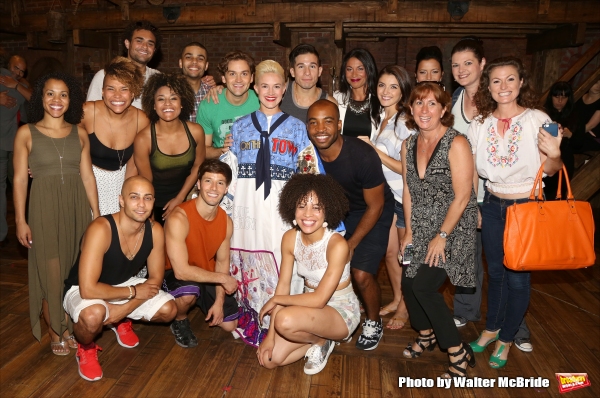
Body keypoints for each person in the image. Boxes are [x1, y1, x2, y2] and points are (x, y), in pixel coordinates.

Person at [467, 57, 562, 369]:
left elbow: (551, 169)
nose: (503, 86)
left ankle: (507, 338)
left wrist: (556, 153)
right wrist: (473, 205)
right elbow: (470, 170)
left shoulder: (538, 118)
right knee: (496, 274)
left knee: (518, 278)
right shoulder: (480, 123)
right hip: (492, 205)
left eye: (510, 79)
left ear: (521, 83)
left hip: (527, 208)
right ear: (488, 86)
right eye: (496, 81)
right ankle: (491, 328)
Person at [13, 72, 100, 355]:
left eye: (63, 94)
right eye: (50, 93)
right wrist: (20, 220)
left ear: (70, 99)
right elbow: (18, 179)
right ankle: (56, 329)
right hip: (44, 208)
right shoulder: (26, 132)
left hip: (76, 207)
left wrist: (97, 216)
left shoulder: (80, 132)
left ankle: (66, 320)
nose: (56, 100)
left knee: (72, 269)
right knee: (51, 269)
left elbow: (88, 177)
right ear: (40, 97)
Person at [229, 60, 311, 346]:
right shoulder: (239, 127)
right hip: (247, 204)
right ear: (255, 88)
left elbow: (306, 171)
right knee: (249, 254)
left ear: (285, 88)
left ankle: (284, 320)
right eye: (265, 86)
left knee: (282, 254)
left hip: (281, 204)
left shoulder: (298, 128)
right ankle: (253, 318)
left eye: (277, 86)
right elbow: (231, 172)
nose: (271, 91)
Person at [63, 176, 177, 381]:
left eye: (148, 198)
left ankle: (120, 320)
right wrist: (133, 293)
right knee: (92, 317)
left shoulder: (155, 230)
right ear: (121, 200)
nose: (141, 204)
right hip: (81, 287)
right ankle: (86, 347)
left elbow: (156, 279)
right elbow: (87, 289)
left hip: (123, 283)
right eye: (134, 197)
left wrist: (123, 309)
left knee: (169, 309)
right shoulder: (101, 229)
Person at [400, 82, 477, 378]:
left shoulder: (456, 143)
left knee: (424, 286)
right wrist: (408, 232)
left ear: (444, 109)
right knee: (408, 283)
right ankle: (426, 333)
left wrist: (441, 237)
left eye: (432, 104)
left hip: (453, 227)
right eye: (419, 103)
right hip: (420, 224)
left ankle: (457, 352)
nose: (425, 110)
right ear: (411, 109)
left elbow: (463, 196)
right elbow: (408, 190)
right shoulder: (409, 144)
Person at [307, 99, 394, 351]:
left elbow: (376, 206)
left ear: (340, 125)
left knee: (361, 273)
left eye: (328, 121)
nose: (320, 128)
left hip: (372, 210)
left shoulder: (361, 155)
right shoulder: (309, 155)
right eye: (313, 122)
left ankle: (373, 320)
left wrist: (351, 243)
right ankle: (333, 312)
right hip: (336, 212)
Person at [257, 173, 359, 375]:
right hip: (306, 308)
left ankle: (322, 339)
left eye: (316, 207)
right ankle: (320, 340)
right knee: (270, 360)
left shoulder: (337, 244)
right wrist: (269, 337)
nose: (308, 214)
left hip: (339, 310)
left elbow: (320, 299)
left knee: (284, 320)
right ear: (292, 209)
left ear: (326, 211)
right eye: (301, 206)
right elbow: (283, 285)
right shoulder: (289, 238)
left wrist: (276, 300)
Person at [358, 65, 414, 330]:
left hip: (406, 197)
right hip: (389, 195)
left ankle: (405, 308)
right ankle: (399, 297)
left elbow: (408, 168)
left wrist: (372, 151)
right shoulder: (382, 116)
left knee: (406, 255)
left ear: (403, 90)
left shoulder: (405, 121)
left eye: (393, 86)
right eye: (382, 85)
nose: (386, 91)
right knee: (391, 253)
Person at [162, 159, 240, 348]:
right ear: (198, 184)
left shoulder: (226, 222)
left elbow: (222, 264)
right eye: (208, 181)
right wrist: (222, 279)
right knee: (189, 293)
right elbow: (181, 271)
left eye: (220, 182)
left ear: (226, 188)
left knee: (229, 325)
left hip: (205, 274)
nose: (213, 188)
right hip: (173, 273)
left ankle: (202, 302)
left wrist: (219, 302)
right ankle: (179, 319)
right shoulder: (179, 217)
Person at [79, 56, 149, 216]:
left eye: (124, 89)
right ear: (102, 92)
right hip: (85, 183)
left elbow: (133, 165)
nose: (117, 95)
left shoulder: (142, 120)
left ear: (133, 93)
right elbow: (61, 136)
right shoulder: (87, 112)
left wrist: (126, 195)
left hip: (121, 186)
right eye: (111, 88)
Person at [134, 72, 205, 225]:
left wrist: (180, 198)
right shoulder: (143, 139)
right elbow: (146, 180)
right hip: (156, 205)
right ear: (153, 105)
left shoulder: (196, 131)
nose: (167, 104)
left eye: (173, 98)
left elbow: (198, 166)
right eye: (161, 99)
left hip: (187, 199)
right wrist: (149, 210)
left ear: (182, 103)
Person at [196, 51, 259, 159]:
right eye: (232, 74)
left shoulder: (262, 101)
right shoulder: (209, 105)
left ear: (252, 78)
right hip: (223, 169)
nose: (238, 80)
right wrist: (223, 150)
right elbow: (202, 151)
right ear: (224, 78)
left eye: (244, 74)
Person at [86, 21, 161, 109]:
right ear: (127, 43)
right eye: (139, 41)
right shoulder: (105, 75)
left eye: (150, 44)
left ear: (154, 50)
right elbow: (91, 113)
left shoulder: (158, 78)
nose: (145, 46)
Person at [1, 55, 29, 248]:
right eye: (15, 68)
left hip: (9, 146)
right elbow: (37, 98)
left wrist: (18, 83)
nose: (17, 73)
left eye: (21, 71)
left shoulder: (15, 84)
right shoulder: (4, 80)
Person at [280, 44, 338, 121]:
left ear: (319, 71)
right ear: (292, 72)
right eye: (301, 66)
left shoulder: (330, 103)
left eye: (312, 66)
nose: (307, 72)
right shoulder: (279, 93)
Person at [333, 48, 380, 139]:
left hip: (370, 152)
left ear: (369, 70)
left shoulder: (380, 101)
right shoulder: (336, 98)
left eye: (360, 69)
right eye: (349, 69)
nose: (354, 74)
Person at [543, 81, 576, 200]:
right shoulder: (543, 113)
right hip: (545, 156)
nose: (560, 101)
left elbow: (580, 143)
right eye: (556, 97)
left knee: (560, 193)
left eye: (563, 97)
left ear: (568, 98)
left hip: (565, 158)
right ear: (551, 97)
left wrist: (570, 135)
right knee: (545, 191)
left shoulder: (574, 114)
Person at [179, 42, 216, 122]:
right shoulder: (170, 92)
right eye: (188, 57)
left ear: (206, 66)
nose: (194, 61)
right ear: (181, 63)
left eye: (200, 59)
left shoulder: (214, 93)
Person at [572, 77, 600, 152]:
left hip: (594, 137)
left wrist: (572, 133)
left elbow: (591, 125)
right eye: (596, 82)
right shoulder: (579, 97)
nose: (598, 86)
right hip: (579, 134)